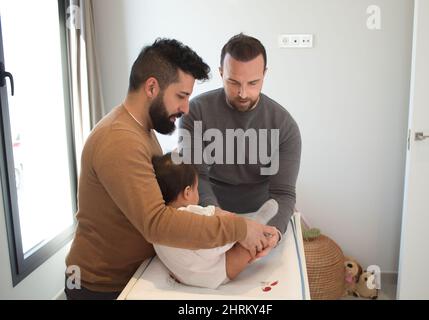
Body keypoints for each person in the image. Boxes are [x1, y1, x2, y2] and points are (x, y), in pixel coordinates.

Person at [64, 38, 278, 300]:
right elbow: (157, 222)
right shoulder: (119, 140)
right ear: (152, 87)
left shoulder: (140, 130)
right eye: (181, 96)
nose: (186, 108)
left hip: (133, 274)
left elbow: (176, 190)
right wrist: (240, 229)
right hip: (103, 286)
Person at [180, 34, 301, 244]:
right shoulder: (195, 113)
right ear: (221, 73)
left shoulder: (284, 125)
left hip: (262, 216)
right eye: (233, 82)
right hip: (210, 213)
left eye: (253, 83)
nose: (243, 93)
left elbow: (283, 193)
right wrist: (221, 219)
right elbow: (197, 178)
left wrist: (273, 231)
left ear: (264, 75)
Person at [152, 153, 279, 289]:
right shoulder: (189, 218)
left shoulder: (157, 221)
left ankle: (247, 223)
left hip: (185, 275)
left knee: (219, 216)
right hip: (216, 272)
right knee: (245, 247)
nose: (198, 194)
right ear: (187, 192)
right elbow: (213, 242)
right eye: (196, 189)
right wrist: (239, 235)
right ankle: (259, 222)